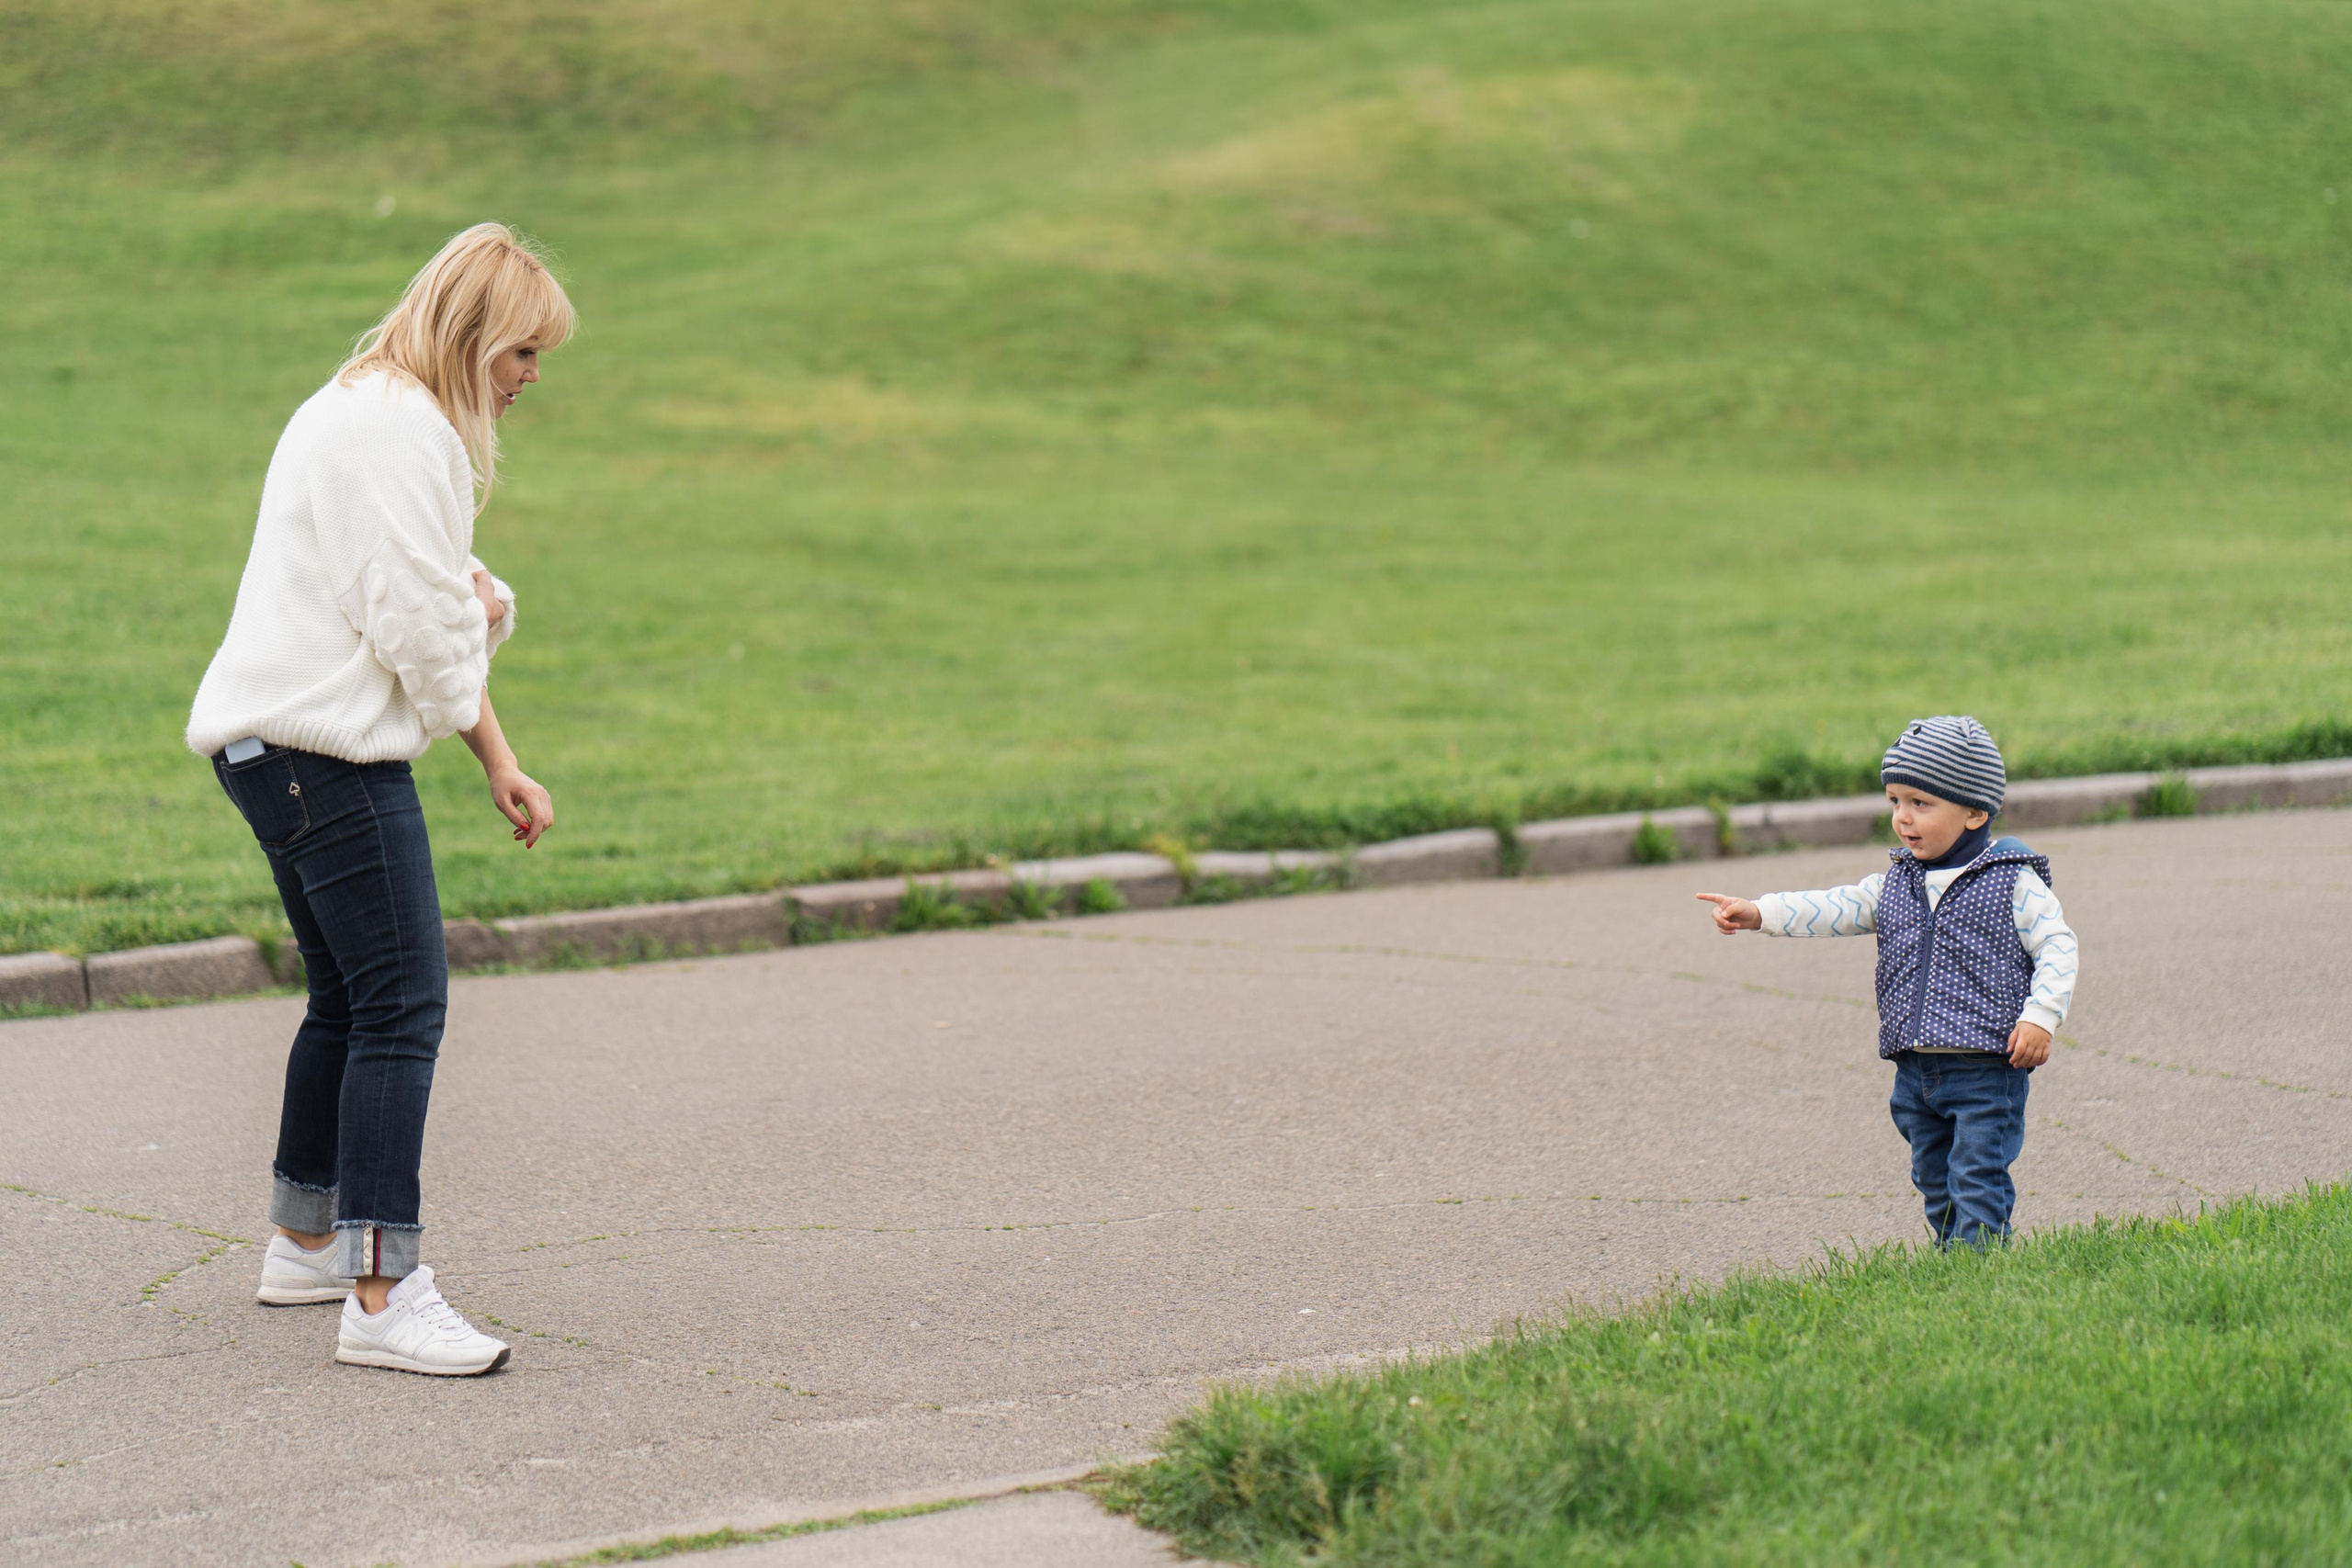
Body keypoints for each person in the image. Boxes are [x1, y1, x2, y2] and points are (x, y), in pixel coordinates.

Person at [186, 222, 573, 1374]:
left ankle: (308, 1239)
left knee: (349, 1000)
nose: (531, 381)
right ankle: (383, 1293)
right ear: (476, 336)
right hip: (324, 757)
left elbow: (423, 601)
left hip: (268, 744)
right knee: (403, 1007)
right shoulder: (404, 434)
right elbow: (425, 631)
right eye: (522, 356)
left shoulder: (355, 405)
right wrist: (484, 634)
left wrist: (497, 754)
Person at [1695, 716, 2078, 1247]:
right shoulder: (1897, 882)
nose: (1902, 818)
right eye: (1895, 801)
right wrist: (1760, 911)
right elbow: (1832, 906)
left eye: (1921, 803)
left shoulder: (2014, 881)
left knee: (1976, 1173)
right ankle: (1954, 1256)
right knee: (1933, 1176)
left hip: (1988, 1065)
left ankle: (1980, 1265)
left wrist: (2041, 1016)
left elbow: (2058, 946)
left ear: (1974, 812)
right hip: (1916, 1068)